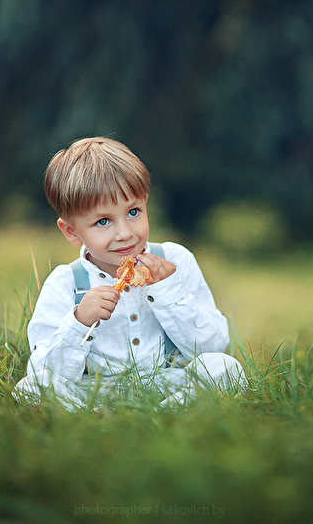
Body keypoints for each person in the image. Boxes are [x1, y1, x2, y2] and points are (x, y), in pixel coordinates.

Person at [13, 137, 246, 409]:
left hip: (167, 383)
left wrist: (168, 292)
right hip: (96, 391)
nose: (125, 233)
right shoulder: (65, 283)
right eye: (103, 221)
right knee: (32, 386)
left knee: (226, 368)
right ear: (72, 232)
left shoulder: (175, 260)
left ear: (145, 203)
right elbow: (45, 370)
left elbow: (213, 345)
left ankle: (164, 414)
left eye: (133, 212)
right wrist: (79, 321)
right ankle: (97, 419)